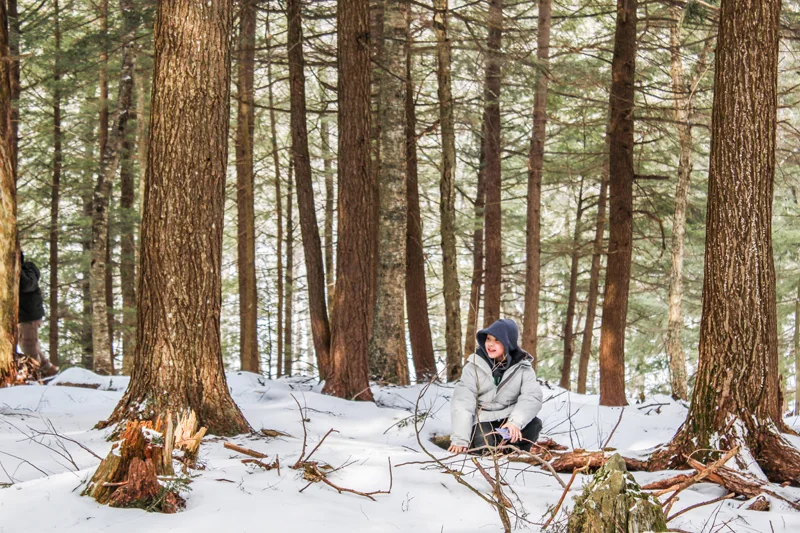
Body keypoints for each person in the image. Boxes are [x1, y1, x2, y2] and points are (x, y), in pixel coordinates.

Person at [449, 318, 543, 455]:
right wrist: (460, 439)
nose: (490, 344)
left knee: (534, 425)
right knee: (486, 446)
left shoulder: (523, 369)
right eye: (488, 339)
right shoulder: (473, 368)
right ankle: (489, 446)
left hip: (508, 419)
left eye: (497, 340)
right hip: (483, 419)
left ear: (508, 342)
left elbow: (531, 397)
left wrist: (515, 422)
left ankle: (515, 454)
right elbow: (462, 403)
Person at [18, 251, 58, 377]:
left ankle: (35, 375)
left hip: (29, 316)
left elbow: (26, 285)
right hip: (23, 315)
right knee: (28, 344)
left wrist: (18, 269)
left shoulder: (29, 270)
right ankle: (48, 369)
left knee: (28, 345)